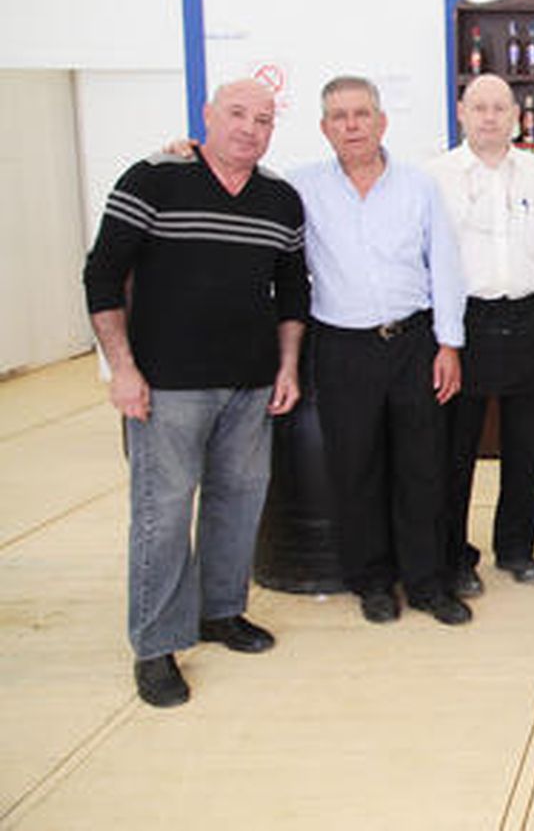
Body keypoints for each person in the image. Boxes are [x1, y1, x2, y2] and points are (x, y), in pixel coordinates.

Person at [84, 78, 308, 707]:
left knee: (238, 503)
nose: (249, 128)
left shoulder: (279, 199)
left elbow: (293, 292)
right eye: (236, 114)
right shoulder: (153, 178)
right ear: (208, 116)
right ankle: (156, 646)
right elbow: (101, 273)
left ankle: (220, 612)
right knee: (162, 516)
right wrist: (121, 368)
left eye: (263, 119)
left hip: (252, 382)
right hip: (166, 386)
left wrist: (287, 366)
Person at [291, 75, 471, 627]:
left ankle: (426, 582)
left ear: (381, 121)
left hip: (412, 343)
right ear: (324, 128)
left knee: (422, 467)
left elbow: (443, 264)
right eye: (339, 116)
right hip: (341, 346)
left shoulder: (417, 187)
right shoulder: (300, 188)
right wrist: (181, 151)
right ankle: (371, 581)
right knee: (356, 467)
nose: (351, 125)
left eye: (361, 114)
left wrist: (449, 344)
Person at [425, 74, 534, 595]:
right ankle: (455, 555)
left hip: (528, 318)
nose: (488, 117)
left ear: (515, 115)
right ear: (461, 112)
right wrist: (445, 340)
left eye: (499, 107)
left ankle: (517, 548)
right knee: (455, 451)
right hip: (464, 324)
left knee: (528, 449)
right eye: (479, 107)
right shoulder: (435, 176)